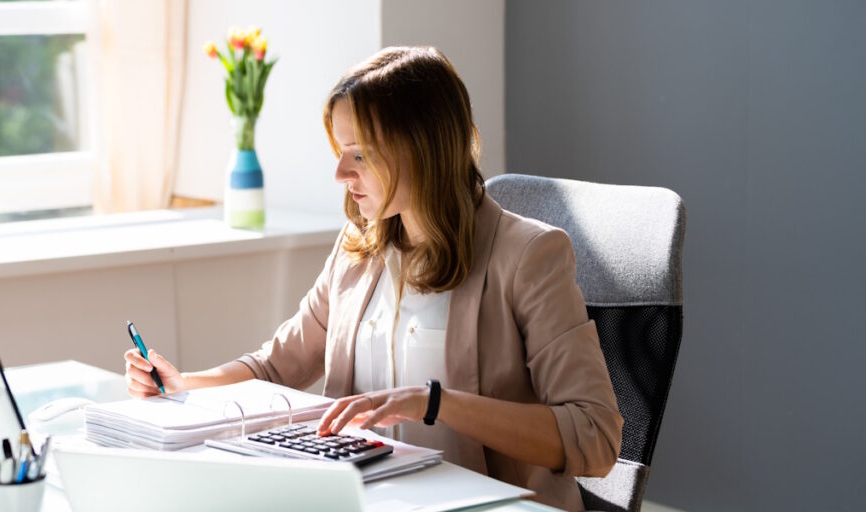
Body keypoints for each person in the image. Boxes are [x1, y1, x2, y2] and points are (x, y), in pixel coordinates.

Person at [122, 46, 621, 510]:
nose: (340, 172)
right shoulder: (358, 247)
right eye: (340, 150)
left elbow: (595, 436)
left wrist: (435, 404)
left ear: (422, 149)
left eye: (360, 153)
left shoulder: (528, 255)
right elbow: (276, 368)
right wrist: (186, 384)